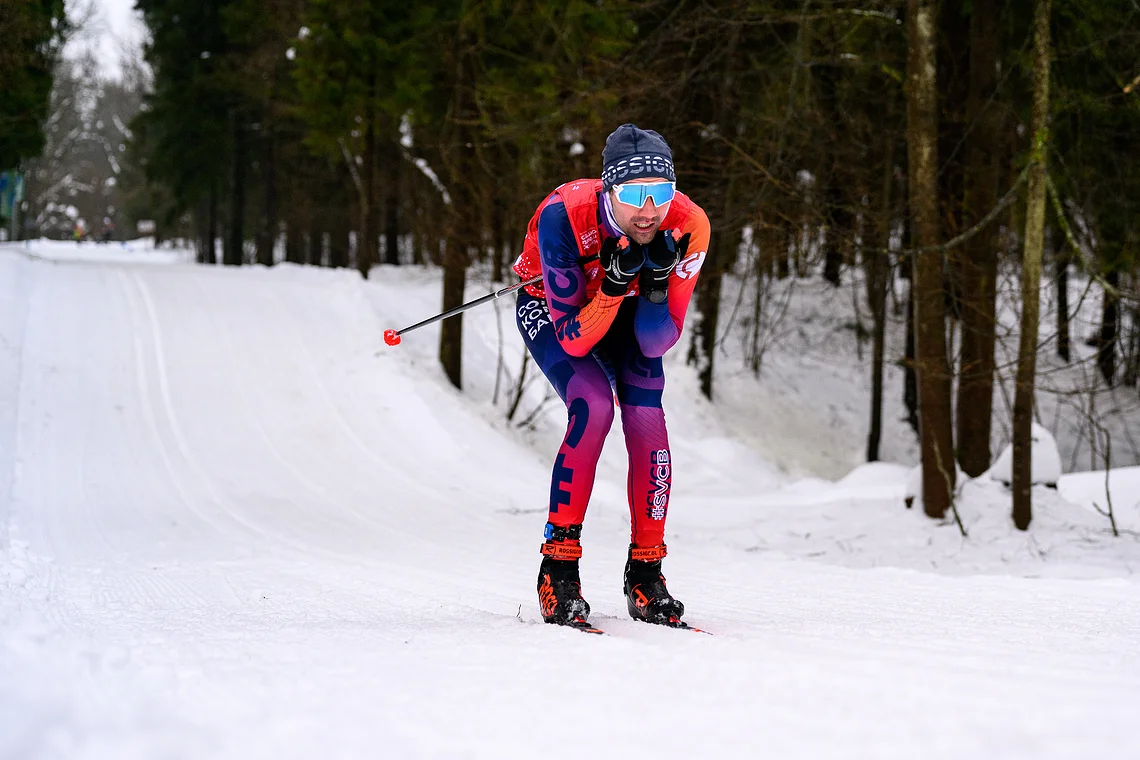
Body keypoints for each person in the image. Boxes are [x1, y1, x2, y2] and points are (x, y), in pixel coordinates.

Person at [512, 124, 710, 628]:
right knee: (594, 406)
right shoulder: (563, 214)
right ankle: (558, 567)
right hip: (557, 312)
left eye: (661, 192)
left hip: (629, 315)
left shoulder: (689, 224)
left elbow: (655, 341)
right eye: (634, 195)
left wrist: (656, 283)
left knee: (648, 422)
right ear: (608, 190)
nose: (649, 210)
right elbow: (573, 339)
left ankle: (646, 572)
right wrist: (615, 284)